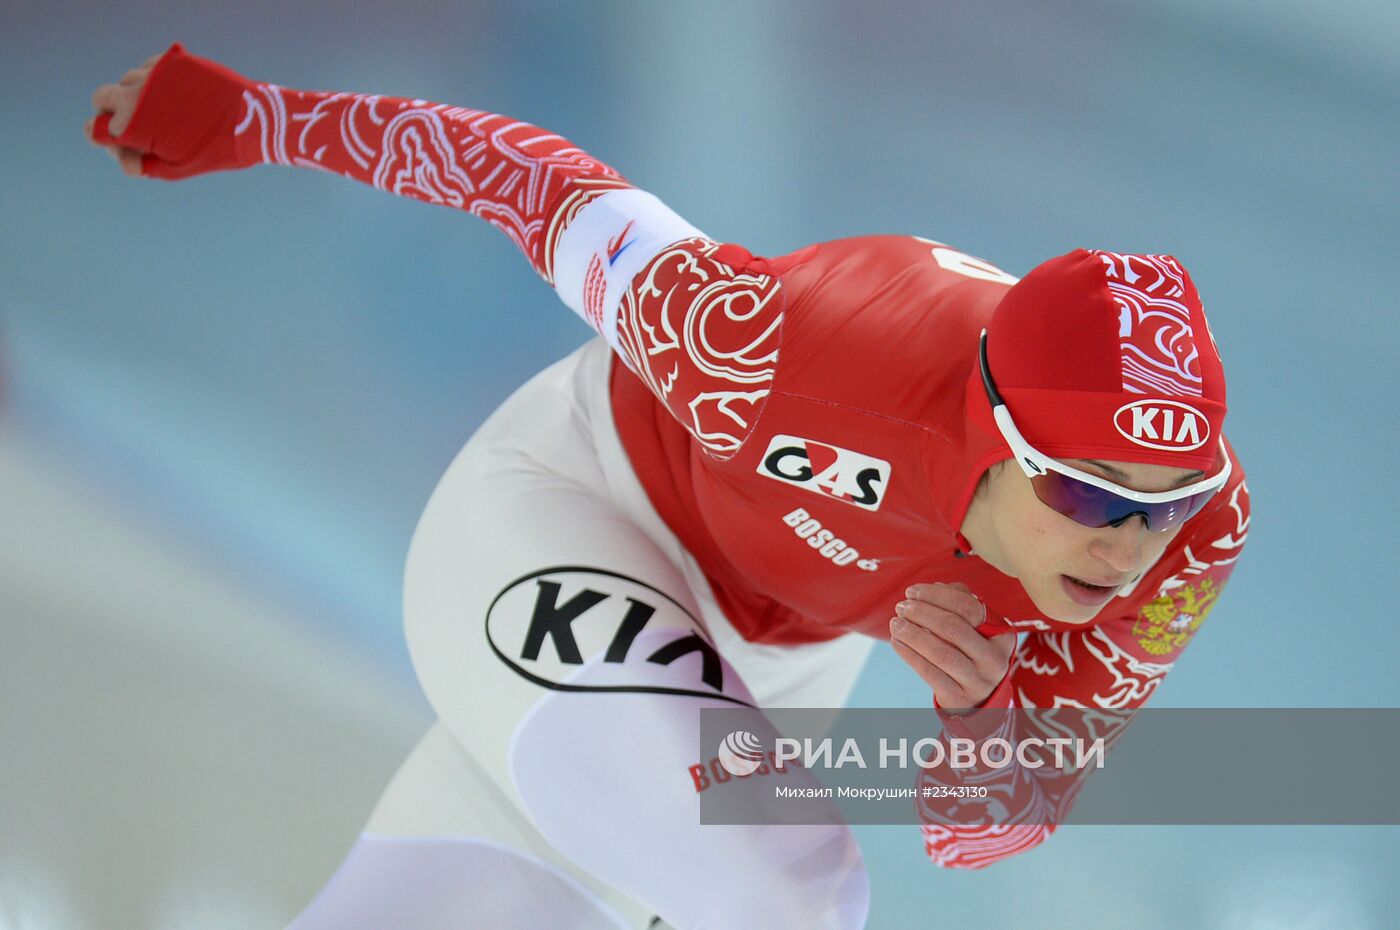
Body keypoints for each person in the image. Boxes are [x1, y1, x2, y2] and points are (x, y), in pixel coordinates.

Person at [88, 44, 1250, 929]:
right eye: (1093, 497)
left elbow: (984, 837)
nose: (1132, 545)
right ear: (989, 437)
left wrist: (975, 723)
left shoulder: (1190, 544)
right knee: (785, 891)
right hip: (578, 506)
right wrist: (252, 116)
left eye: (1172, 496)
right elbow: (531, 183)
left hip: (780, 644)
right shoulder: (785, 350)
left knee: (496, 888)